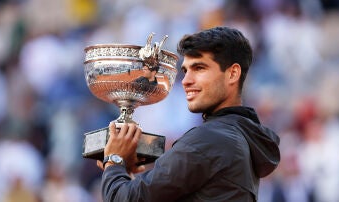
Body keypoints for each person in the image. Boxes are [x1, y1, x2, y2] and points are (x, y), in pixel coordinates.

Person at [96, 26, 281, 201]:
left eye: (199, 68)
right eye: (185, 70)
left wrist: (113, 160)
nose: (186, 81)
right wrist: (122, 174)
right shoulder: (239, 137)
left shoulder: (210, 139)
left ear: (232, 73)